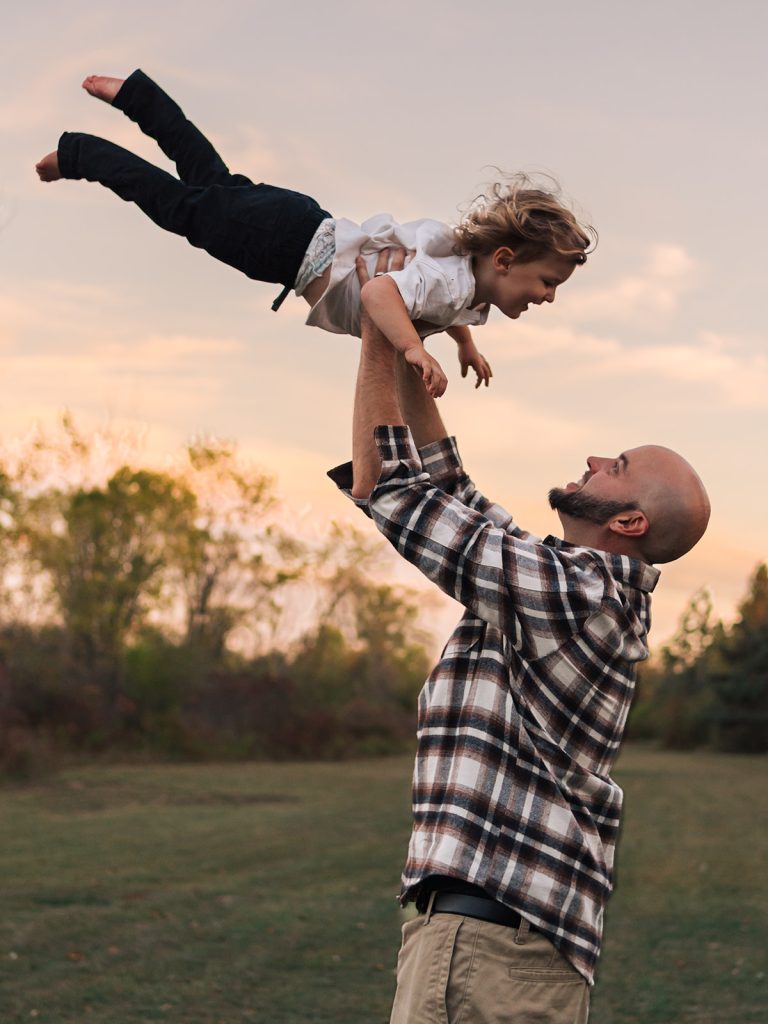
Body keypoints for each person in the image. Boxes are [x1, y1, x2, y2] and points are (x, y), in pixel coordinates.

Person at [327, 250, 710, 1022]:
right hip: (500, 948)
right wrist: (414, 327)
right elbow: (451, 488)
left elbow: (399, 495)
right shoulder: (573, 584)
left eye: (617, 465)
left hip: (487, 949)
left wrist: (376, 327)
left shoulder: (578, 594)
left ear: (629, 521)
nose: (595, 459)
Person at [35, 70, 595, 397]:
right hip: (285, 247)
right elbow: (380, 293)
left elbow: (438, 302)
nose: (548, 297)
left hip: (299, 224)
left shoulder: (465, 283)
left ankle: (136, 95)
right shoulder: (452, 286)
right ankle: (82, 154)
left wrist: (465, 343)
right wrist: (412, 350)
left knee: (208, 179)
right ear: (504, 259)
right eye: (547, 282)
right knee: (179, 208)